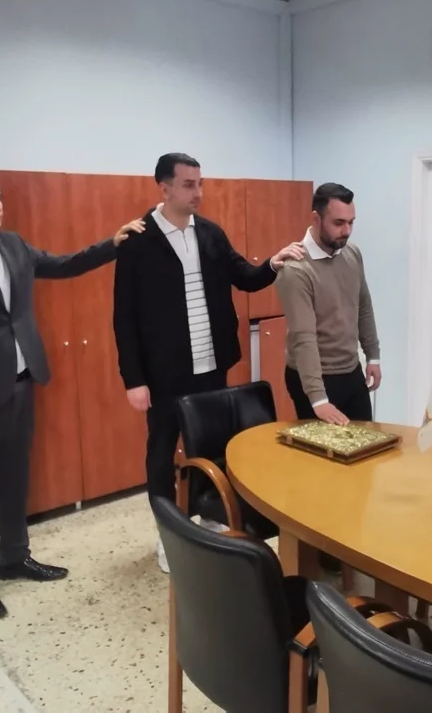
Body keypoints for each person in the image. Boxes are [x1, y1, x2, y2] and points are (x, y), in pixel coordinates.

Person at [0, 169, 143, 620]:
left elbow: (63, 264)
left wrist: (111, 244)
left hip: (20, 383)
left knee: (16, 477)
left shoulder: (12, 244)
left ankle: (15, 558)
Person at [113, 153, 305, 573]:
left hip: (211, 364)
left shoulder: (211, 234)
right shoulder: (138, 242)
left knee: (208, 448)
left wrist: (273, 264)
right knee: (162, 450)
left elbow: (245, 277)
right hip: (162, 372)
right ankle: (170, 534)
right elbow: (123, 316)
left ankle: (209, 519)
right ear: (164, 187)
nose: (198, 192)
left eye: (200, 183)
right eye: (188, 184)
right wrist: (133, 379)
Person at [276, 182, 382, 425]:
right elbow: (304, 336)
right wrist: (318, 398)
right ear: (316, 218)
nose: (347, 230)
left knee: (364, 440)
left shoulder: (352, 253)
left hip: (350, 370)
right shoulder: (296, 269)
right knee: (325, 449)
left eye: (351, 222)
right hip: (314, 376)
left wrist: (373, 357)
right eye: (339, 223)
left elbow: (363, 306)